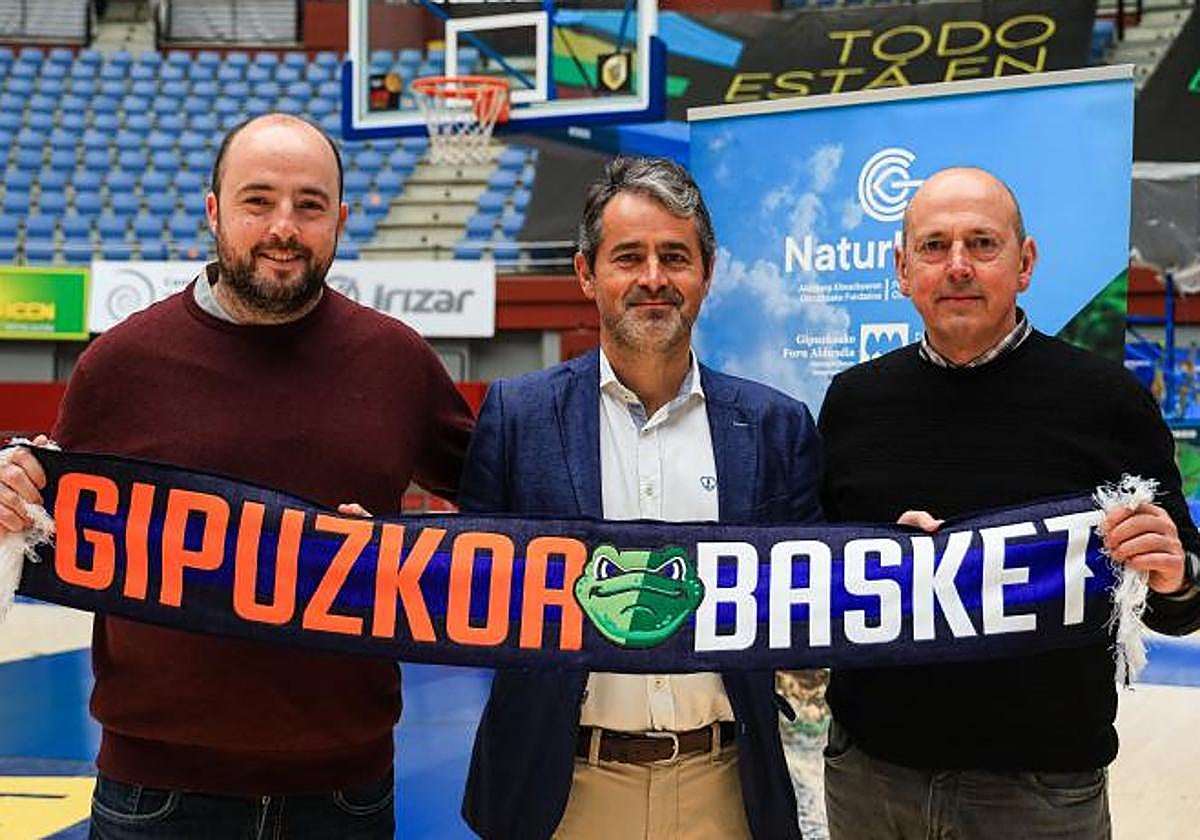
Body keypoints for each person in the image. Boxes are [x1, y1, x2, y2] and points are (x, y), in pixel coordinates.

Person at [0, 113, 474, 838]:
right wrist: (10, 494)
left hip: (343, 792)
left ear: (340, 220)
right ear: (214, 210)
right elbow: (50, 527)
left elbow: (503, 514)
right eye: (258, 201)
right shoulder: (120, 365)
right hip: (155, 793)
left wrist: (393, 556)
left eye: (309, 206)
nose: (284, 226)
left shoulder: (398, 362)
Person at [817, 166, 1200, 839]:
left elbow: (1184, 596)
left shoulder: (1107, 401)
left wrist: (1175, 574)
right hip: (870, 777)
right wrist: (882, 558)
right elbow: (819, 577)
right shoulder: (852, 402)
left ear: (1024, 264)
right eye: (934, 247)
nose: (957, 266)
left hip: (1041, 789)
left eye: (982, 244)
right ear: (903, 270)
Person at [458, 156, 821, 840]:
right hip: (560, 791)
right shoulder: (516, 416)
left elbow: (818, 597)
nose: (654, 279)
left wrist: (912, 555)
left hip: (727, 788)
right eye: (629, 257)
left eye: (675, 257)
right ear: (586, 273)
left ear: (706, 275)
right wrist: (362, 557)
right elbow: (468, 587)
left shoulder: (775, 427)